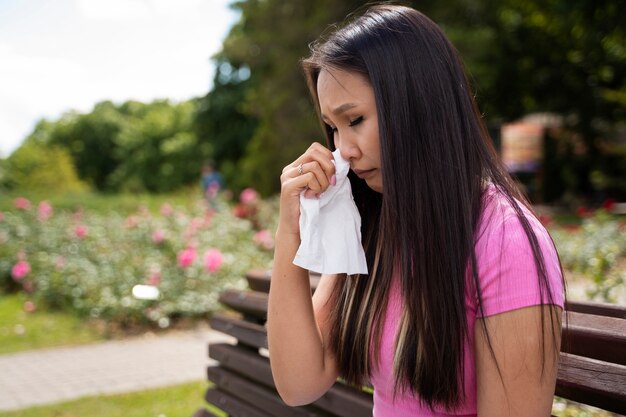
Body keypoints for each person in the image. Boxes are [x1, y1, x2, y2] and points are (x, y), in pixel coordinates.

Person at [267, 5, 565, 417]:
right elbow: (299, 383)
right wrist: (290, 235)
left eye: (354, 119)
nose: (343, 150)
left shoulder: (503, 241)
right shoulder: (373, 228)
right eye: (333, 128)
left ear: (417, 106)